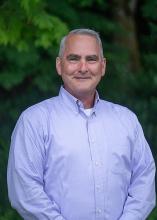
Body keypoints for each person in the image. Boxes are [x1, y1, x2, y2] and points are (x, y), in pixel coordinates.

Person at [7, 28, 156, 220]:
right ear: (59, 65)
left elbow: (144, 179)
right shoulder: (34, 121)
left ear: (103, 66)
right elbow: (25, 192)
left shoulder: (127, 120)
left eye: (91, 59)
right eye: (74, 58)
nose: (83, 67)